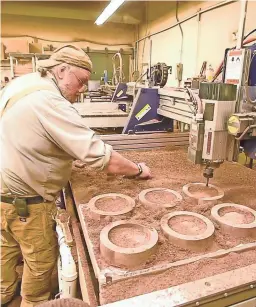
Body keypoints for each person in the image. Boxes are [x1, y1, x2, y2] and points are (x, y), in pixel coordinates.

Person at [0, 45, 152, 307]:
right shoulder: (51, 102)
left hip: (4, 193)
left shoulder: (26, 82)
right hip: (27, 203)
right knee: (39, 265)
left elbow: (32, 135)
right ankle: (33, 302)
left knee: (5, 251)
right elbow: (102, 157)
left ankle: (3, 294)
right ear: (61, 71)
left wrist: (64, 158)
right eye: (80, 81)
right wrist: (138, 170)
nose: (82, 89)